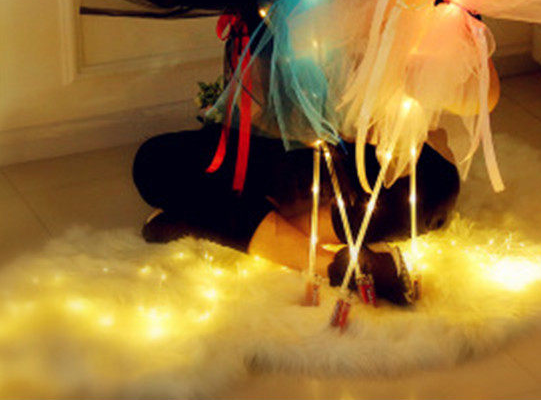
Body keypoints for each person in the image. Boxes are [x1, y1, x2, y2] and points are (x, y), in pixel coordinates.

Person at [132, 122, 463, 305]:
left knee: (433, 189)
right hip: (277, 146)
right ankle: (346, 268)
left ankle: (205, 221)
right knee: (152, 163)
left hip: (378, 171)